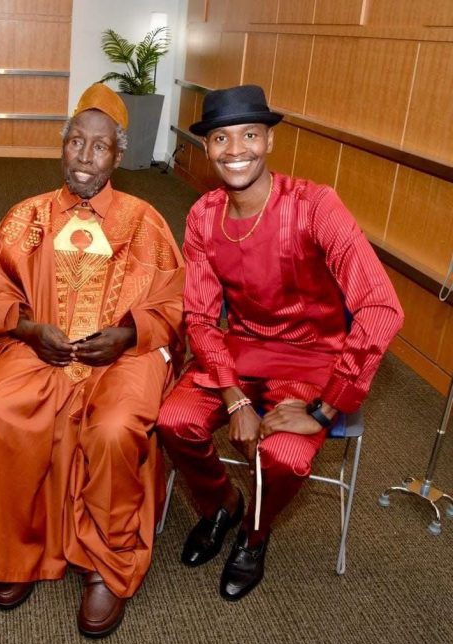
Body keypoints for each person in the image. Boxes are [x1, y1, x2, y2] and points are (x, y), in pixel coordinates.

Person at [0, 83, 186, 638]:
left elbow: (173, 302)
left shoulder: (146, 221)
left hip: (120, 358)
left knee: (113, 427)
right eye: (75, 142)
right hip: (39, 350)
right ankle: (12, 551)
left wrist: (129, 334)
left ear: (117, 155)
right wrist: (30, 329)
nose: (85, 155)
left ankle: (106, 566)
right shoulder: (25, 216)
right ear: (62, 148)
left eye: (99, 146)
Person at [157, 84, 404, 601]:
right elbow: (200, 318)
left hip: (313, 360)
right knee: (173, 421)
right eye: (221, 138)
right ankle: (222, 505)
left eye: (249, 135)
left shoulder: (317, 206)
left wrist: (323, 409)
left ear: (268, 140)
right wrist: (235, 397)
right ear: (207, 149)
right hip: (239, 351)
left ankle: (256, 533)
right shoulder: (204, 215)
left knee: (288, 456)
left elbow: (382, 308)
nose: (236, 149)